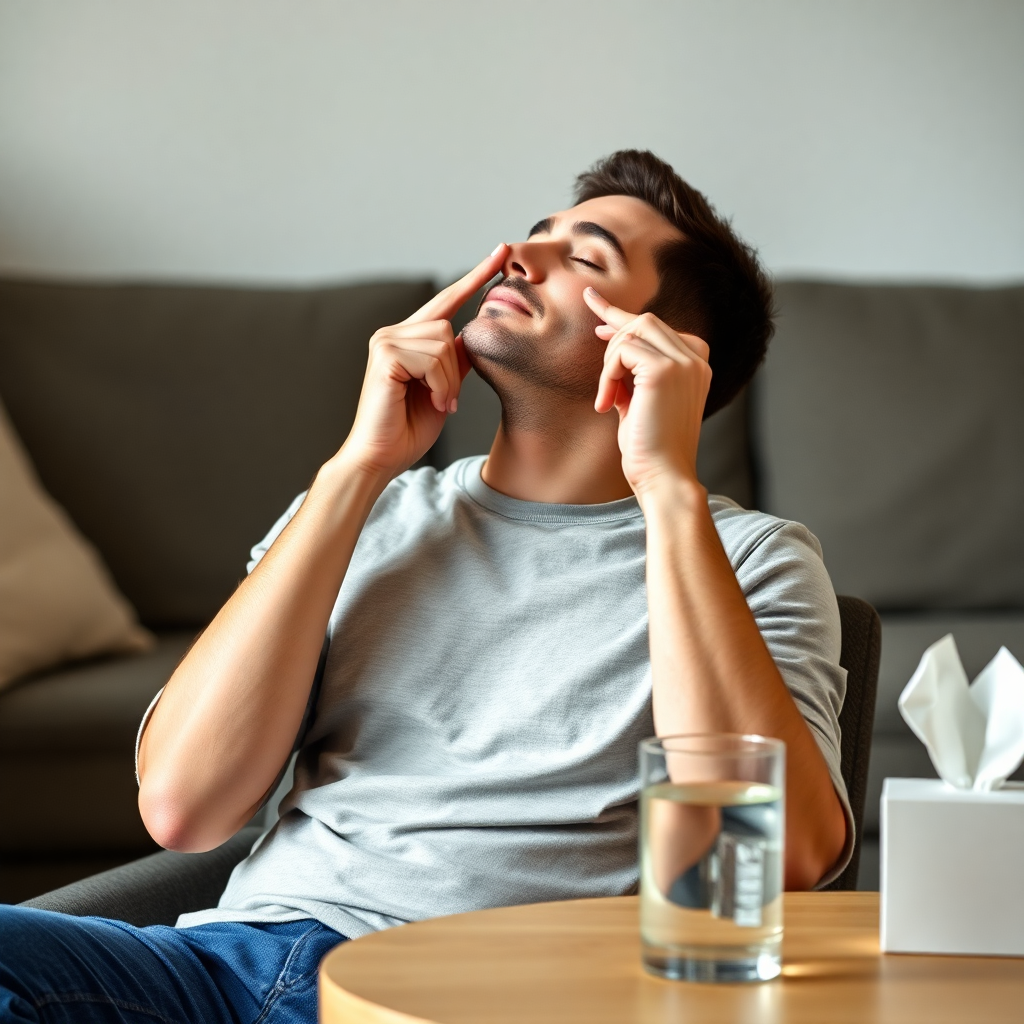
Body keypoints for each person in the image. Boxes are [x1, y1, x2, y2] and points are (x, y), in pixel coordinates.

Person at [0, 150, 851, 1022]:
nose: (522, 254)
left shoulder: (748, 559)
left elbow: (783, 856)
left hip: (466, 993)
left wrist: (668, 488)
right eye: (539, 234)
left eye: (586, 257)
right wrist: (355, 469)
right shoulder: (369, 511)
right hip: (224, 966)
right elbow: (184, 807)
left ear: (664, 349)